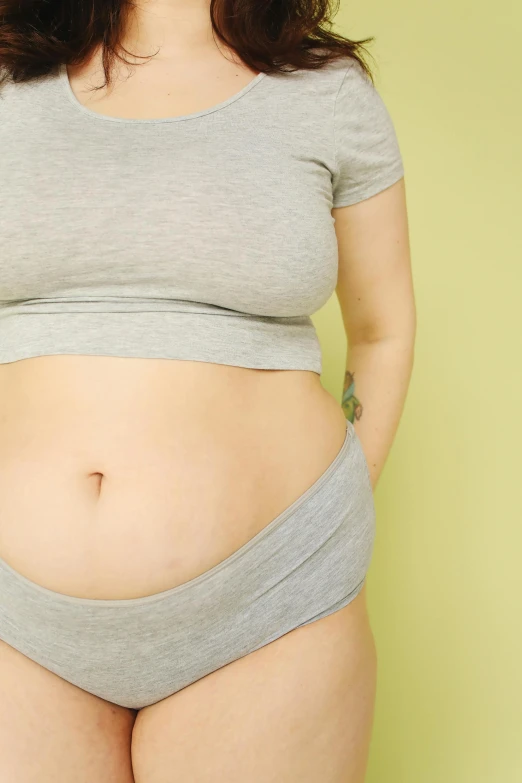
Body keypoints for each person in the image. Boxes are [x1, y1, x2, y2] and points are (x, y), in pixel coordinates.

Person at [0, 0, 415, 780]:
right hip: (12, 616)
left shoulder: (324, 90)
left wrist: (332, 514)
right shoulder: (9, 75)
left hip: (270, 600)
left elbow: (383, 329)